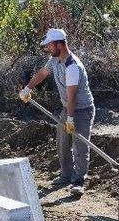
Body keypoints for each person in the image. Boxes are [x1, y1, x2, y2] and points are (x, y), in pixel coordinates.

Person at [19, 28, 95, 196]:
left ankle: (79, 180)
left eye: (49, 45)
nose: (48, 49)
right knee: (62, 142)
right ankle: (66, 174)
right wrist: (27, 88)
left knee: (80, 145)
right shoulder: (55, 60)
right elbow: (42, 73)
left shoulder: (72, 66)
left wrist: (70, 119)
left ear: (58, 44)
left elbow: (72, 96)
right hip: (67, 106)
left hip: (81, 109)